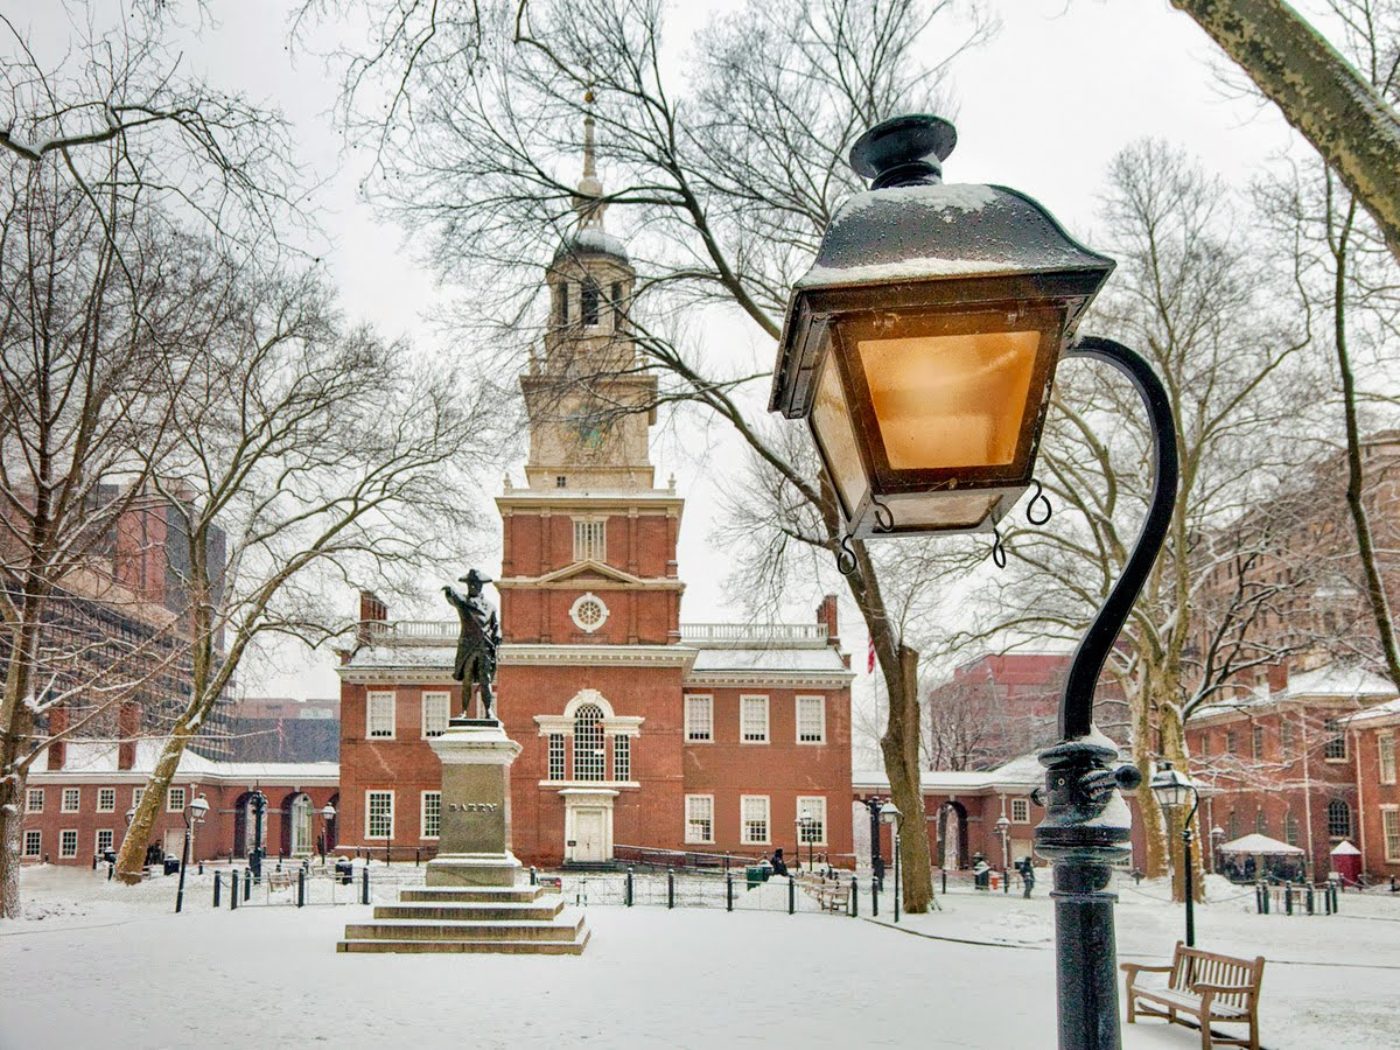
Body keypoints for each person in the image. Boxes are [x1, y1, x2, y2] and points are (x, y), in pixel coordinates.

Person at [443, 568, 501, 720]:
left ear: (481, 585)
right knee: (467, 679)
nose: (473, 586)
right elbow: (452, 598)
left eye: (476, 584)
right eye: (470, 584)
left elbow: (496, 626)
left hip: (484, 646)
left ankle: (489, 711)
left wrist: (498, 635)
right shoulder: (463, 602)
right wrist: (449, 592)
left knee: (485, 679)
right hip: (468, 646)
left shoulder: (490, 606)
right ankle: (463, 712)